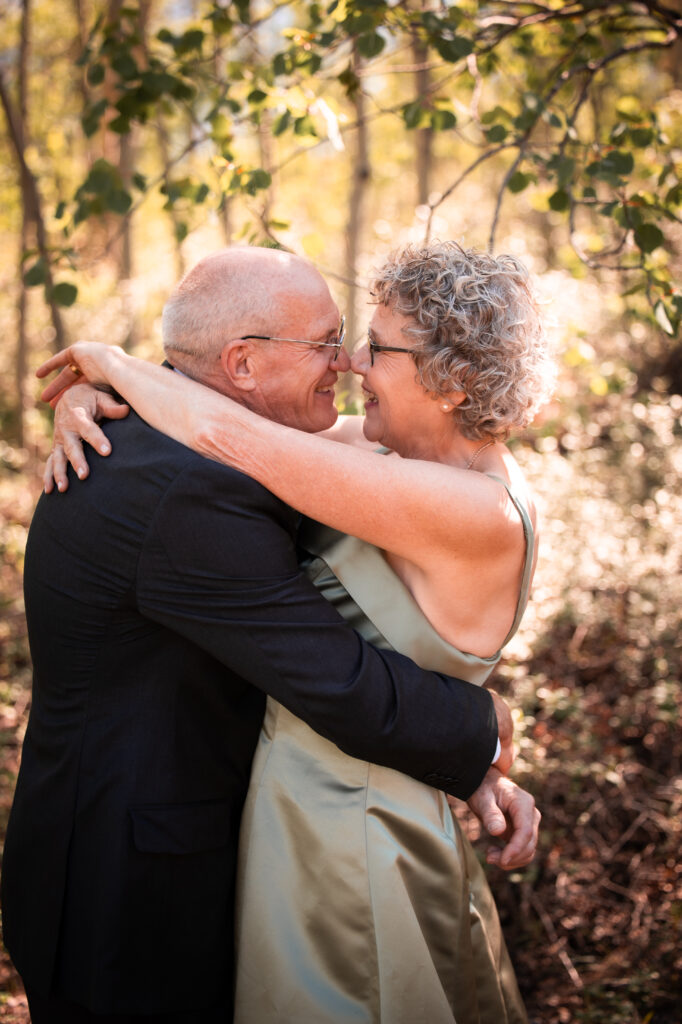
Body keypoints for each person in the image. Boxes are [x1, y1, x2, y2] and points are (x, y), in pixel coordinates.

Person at [1, 246, 534, 1024]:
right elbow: (338, 680)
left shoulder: (266, 454)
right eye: (327, 342)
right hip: (128, 884)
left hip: (306, 827)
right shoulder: (191, 485)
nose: (347, 362)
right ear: (243, 366)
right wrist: (487, 731)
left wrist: (111, 374)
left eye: (361, 341)